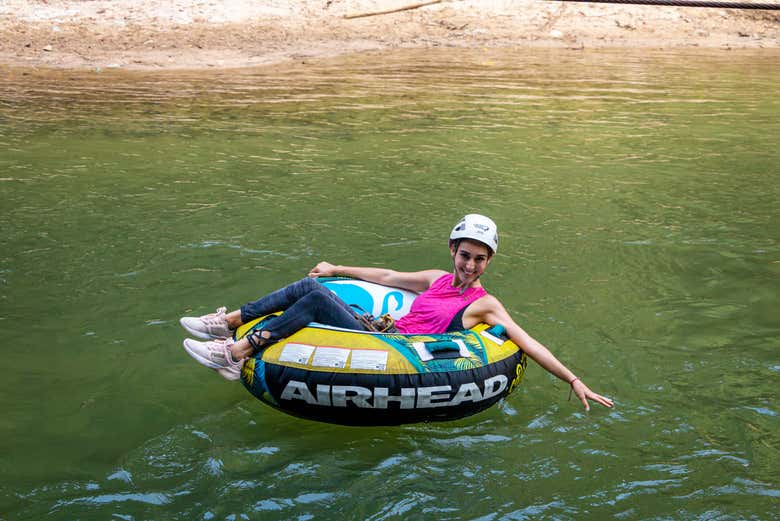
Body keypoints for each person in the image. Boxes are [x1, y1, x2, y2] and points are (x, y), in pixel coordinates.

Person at [181, 214, 613, 411]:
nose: (470, 265)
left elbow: (527, 341)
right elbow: (386, 275)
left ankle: (233, 354)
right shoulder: (435, 279)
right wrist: (338, 268)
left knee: (312, 295)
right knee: (312, 286)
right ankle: (228, 322)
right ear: (452, 250)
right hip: (377, 328)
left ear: (489, 261)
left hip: (393, 348)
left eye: (481, 259)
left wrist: (574, 380)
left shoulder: (484, 304)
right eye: (465, 255)